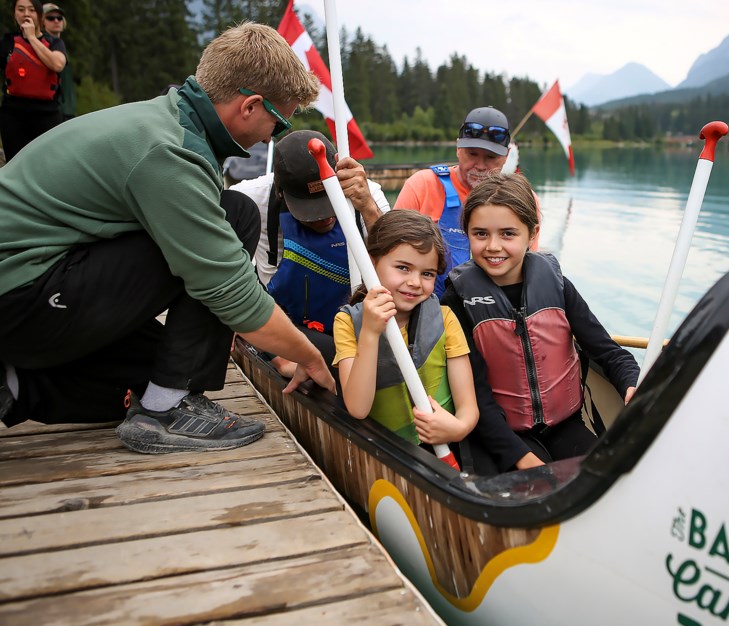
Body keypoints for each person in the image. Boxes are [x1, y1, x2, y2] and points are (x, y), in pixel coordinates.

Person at [0, 23, 334, 455]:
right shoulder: (170, 153)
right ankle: (166, 410)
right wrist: (309, 355)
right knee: (235, 217)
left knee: (161, 367)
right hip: (21, 292)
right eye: (279, 120)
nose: (274, 134)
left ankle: (15, 382)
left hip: (36, 286)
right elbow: (231, 291)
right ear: (250, 106)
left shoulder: (168, 120)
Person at [442, 173, 640, 475]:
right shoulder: (457, 300)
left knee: (609, 477)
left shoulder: (557, 285)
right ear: (467, 233)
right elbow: (475, 393)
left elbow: (608, 352)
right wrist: (519, 456)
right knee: (529, 490)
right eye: (480, 234)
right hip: (498, 432)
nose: (493, 246)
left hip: (565, 425)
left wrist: (633, 383)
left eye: (508, 234)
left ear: (532, 233)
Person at [230, 129, 391, 372]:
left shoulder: (368, 195)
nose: (325, 218)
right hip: (288, 328)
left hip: (353, 326)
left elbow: (396, 258)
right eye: (311, 213)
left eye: (330, 205)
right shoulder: (250, 198)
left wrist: (367, 206)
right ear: (280, 193)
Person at [333, 210, 478, 451]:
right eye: (403, 267)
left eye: (427, 274)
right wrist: (369, 332)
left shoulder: (445, 319)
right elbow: (358, 408)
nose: (415, 282)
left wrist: (460, 427)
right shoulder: (348, 322)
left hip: (445, 447)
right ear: (371, 263)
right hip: (388, 452)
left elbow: (468, 406)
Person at [395, 106, 539, 297]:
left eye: (491, 157)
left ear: (505, 157)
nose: (480, 166)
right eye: (472, 154)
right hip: (429, 307)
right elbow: (392, 254)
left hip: (492, 309)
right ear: (458, 149)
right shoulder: (422, 185)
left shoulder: (523, 198)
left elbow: (528, 265)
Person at [0, 0, 66, 160]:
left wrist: (31, 37)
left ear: (39, 16)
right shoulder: (7, 42)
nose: (26, 14)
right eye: (21, 10)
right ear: (14, 14)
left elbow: (57, 64)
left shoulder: (54, 42)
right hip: (13, 114)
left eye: (31, 10)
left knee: (49, 164)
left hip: (47, 114)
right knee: (15, 164)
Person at [41, 3, 74, 120]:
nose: (56, 21)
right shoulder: (41, 45)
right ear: (42, 21)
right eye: (50, 18)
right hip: (54, 110)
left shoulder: (60, 45)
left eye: (59, 18)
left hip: (68, 109)